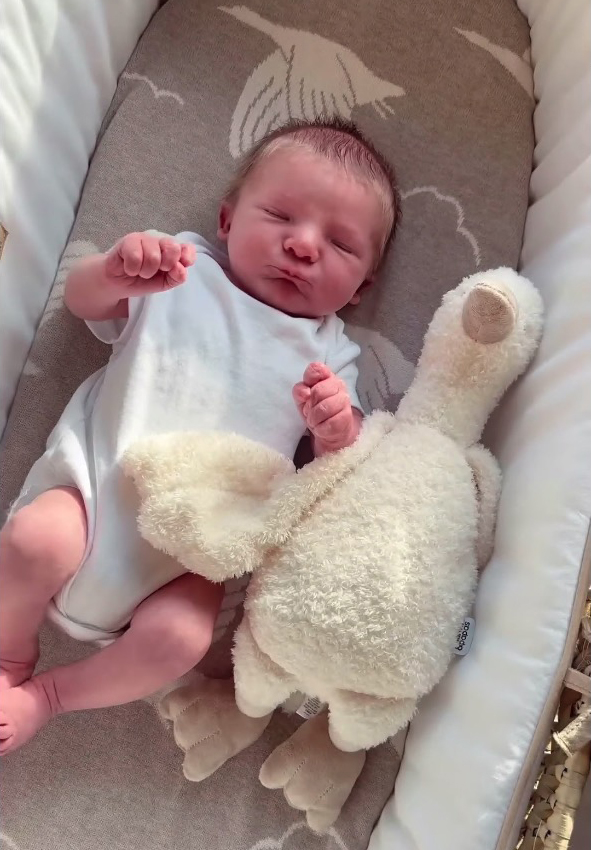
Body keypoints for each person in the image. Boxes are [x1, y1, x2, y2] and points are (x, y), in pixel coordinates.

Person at [0, 117, 400, 754]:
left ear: (363, 287)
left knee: (183, 640)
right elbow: (80, 301)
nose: (303, 245)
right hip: (96, 494)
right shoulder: (177, 271)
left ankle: (51, 696)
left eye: (341, 244)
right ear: (226, 220)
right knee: (30, 541)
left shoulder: (332, 352)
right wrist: (114, 272)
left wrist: (335, 428)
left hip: (194, 550)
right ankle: (9, 656)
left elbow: (337, 464)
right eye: (280, 215)